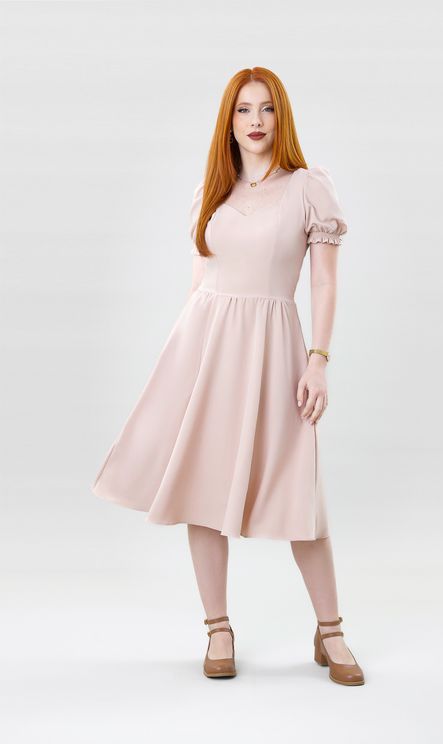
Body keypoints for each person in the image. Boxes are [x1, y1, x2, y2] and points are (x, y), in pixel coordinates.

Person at [91, 66, 365, 686]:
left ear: (281, 117)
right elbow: (200, 283)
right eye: (244, 110)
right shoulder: (211, 191)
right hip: (205, 348)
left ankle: (331, 631)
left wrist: (319, 360)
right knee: (201, 486)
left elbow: (324, 282)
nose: (256, 121)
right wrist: (180, 362)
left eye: (266, 109)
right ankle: (218, 627)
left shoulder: (308, 188)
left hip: (276, 351)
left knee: (299, 495)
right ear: (229, 121)